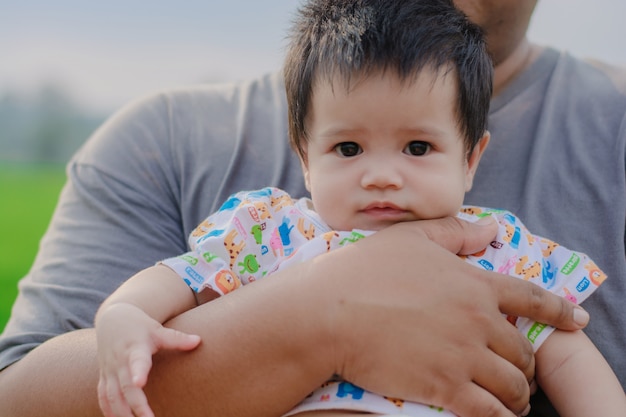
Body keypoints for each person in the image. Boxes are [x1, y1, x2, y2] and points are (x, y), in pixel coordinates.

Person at [0, 0, 624, 416]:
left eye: (418, 147)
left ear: (471, 158)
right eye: (348, 148)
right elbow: (179, 280)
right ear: (303, 154)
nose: (382, 174)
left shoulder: (499, 248)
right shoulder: (271, 231)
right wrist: (124, 314)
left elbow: (566, 350)